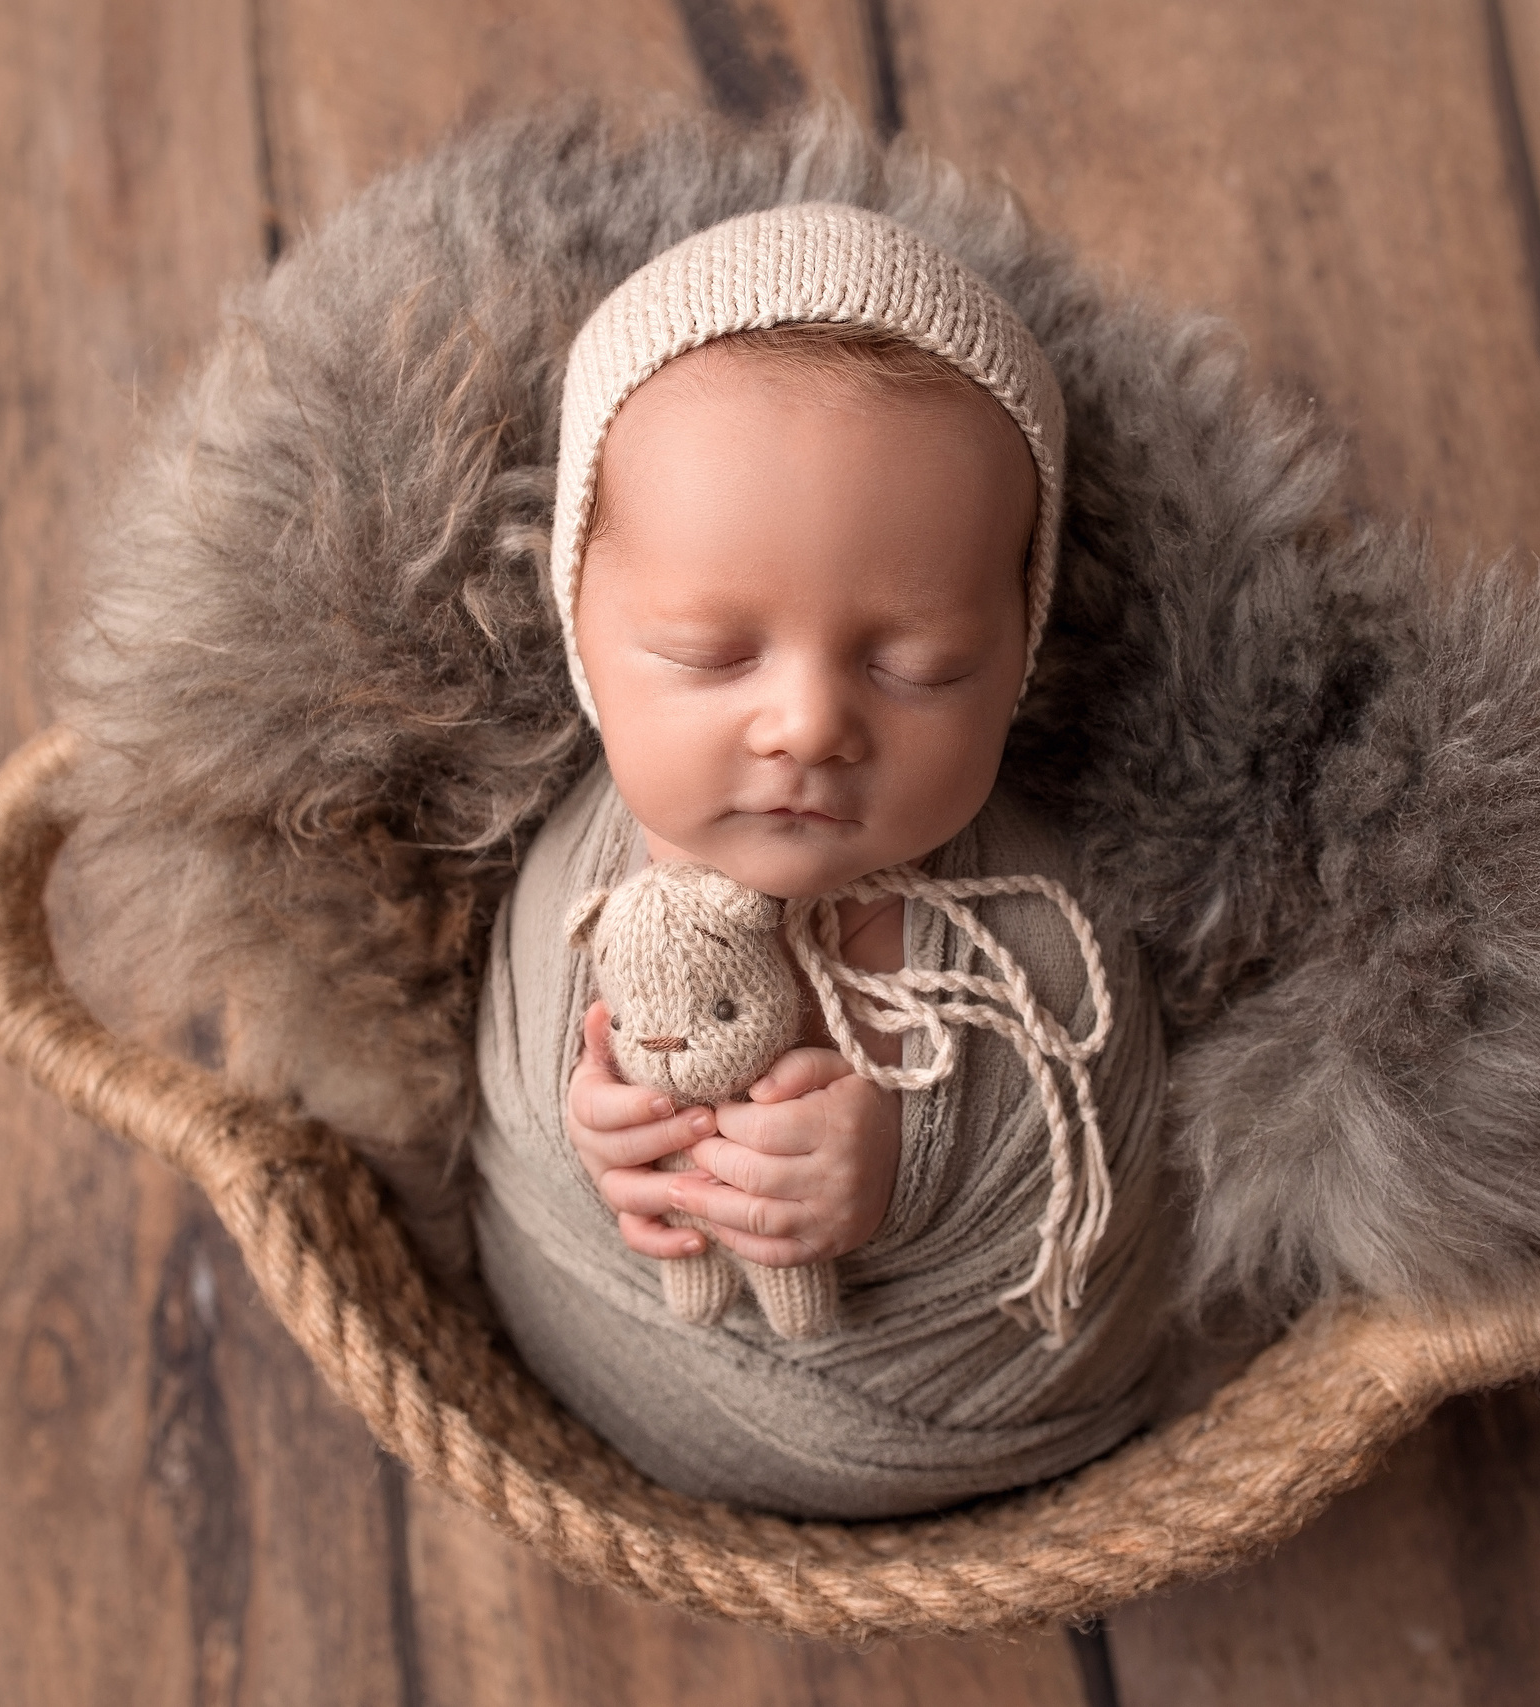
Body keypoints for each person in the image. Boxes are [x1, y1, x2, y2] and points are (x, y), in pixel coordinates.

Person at [466, 204, 1178, 1519]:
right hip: (612, 1362)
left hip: (986, 1400)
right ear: (584, 631)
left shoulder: (1030, 918)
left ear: (1015, 661)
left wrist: (906, 1164)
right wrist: (603, 1136)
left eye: (918, 667)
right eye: (711, 654)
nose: (809, 726)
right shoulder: (576, 887)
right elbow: (510, 1088)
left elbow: (1106, 1123)